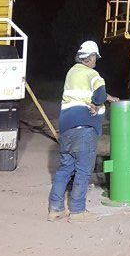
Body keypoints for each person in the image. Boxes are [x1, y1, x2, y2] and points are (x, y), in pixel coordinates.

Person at [48, 40, 118, 221]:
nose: (96, 60)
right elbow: (99, 92)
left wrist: (109, 98)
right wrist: (97, 103)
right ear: (91, 57)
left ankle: (55, 209)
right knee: (83, 170)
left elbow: (88, 92)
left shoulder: (72, 72)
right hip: (84, 129)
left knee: (65, 169)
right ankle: (78, 211)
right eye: (95, 57)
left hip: (66, 129)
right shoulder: (93, 74)